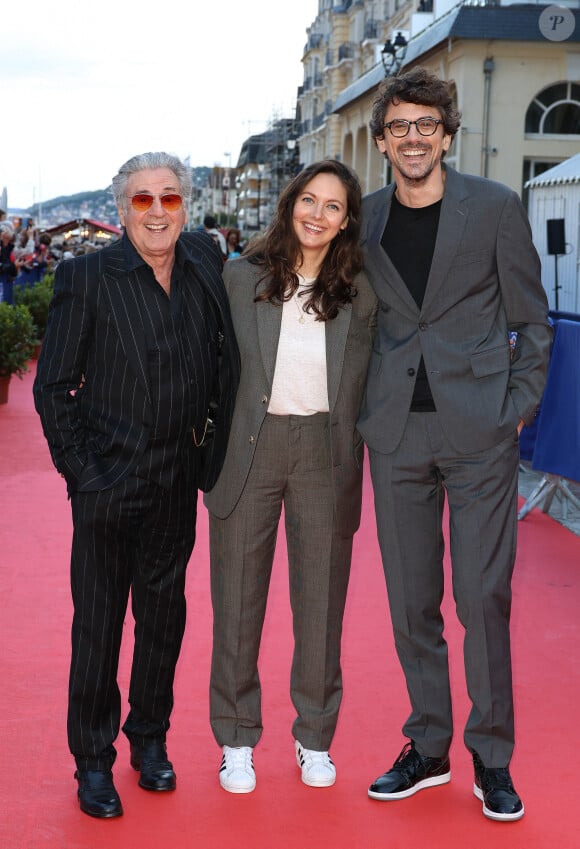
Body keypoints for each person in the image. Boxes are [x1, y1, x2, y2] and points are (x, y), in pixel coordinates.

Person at [357, 67, 552, 822]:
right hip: (395, 431)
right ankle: (429, 743)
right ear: (382, 140)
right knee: (412, 602)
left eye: (426, 124)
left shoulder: (496, 209)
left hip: (479, 431)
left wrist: (514, 408)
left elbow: (532, 321)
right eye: (399, 126)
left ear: (447, 132)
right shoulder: (365, 220)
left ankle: (492, 756)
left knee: (482, 596)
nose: (413, 137)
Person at [33, 151, 240, 819]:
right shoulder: (87, 275)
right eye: (143, 200)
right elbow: (54, 385)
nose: (157, 211)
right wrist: (83, 475)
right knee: (98, 626)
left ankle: (149, 739)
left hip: (178, 476)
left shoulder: (207, 260)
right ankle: (92, 760)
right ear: (122, 211)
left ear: (187, 207)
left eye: (170, 198)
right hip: (109, 481)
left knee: (163, 621)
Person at [205, 160, 377, 793]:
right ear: (289, 204)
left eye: (333, 206)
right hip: (248, 451)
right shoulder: (238, 275)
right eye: (309, 199)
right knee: (238, 601)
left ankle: (314, 737)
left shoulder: (362, 289)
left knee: (321, 605)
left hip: (326, 452)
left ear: (346, 220)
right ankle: (236, 739)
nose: (317, 214)